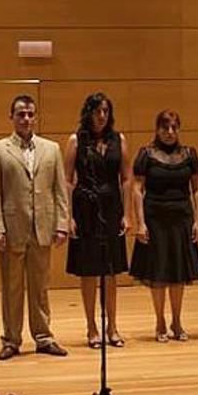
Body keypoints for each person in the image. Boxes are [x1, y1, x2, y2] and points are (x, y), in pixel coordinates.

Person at [0, 94, 70, 360]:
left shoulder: (51, 149)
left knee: (40, 286)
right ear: (11, 117)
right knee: (11, 287)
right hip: (12, 228)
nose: (26, 119)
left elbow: (60, 189)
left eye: (31, 114)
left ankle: (43, 337)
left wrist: (62, 224)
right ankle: (11, 339)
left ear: (36, 117)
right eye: (21, 114)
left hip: (43, 227)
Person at [64, 92, 132, 349]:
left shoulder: (119, 139)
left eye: (105, 111)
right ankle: (91, 326)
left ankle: (112, 326)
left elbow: (126, 178)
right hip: (85, 209)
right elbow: (68, 179)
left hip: (112, 207)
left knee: (111, 271)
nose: (102, 115)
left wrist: (126, 214)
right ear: (88, 113)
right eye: (97, 111)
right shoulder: (76, 140)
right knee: (89, 271)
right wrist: (68, 216)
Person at [129, 110, 198, 342]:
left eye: (174, 128)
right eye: (165, 128)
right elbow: (137, 189)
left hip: (182, 218)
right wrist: (140, 222)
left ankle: (177, 321)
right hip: (154, 218)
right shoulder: (146, 154)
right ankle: (160, 321)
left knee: (178, 274)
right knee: (158, 272)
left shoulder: (190, 154)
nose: (170, 132)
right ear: (157, 129)